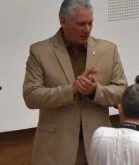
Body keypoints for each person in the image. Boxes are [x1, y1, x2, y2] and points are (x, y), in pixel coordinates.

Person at [23, 0, 127, 164]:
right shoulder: (40, 52)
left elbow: (122, 94)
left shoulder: (108, 50)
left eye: (90, 23)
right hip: (55, 150)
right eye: (81, 24)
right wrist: (70, 90)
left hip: (98, 147)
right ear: (63, 21)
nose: (87, 29)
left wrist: (95, 91)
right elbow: (31, 96)